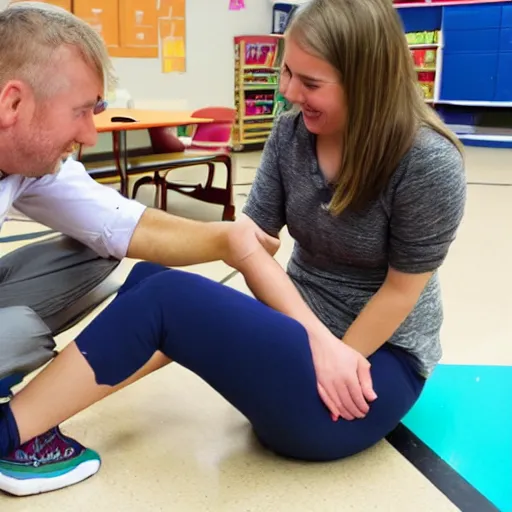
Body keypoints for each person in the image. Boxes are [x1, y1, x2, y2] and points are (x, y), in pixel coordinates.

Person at [0, 0, 467, 498]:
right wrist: (314, 338)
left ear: (366, 81)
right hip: (306, 337)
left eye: (309, 83)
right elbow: (250, 246)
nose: (288, 92)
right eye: (287, 72)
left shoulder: (427, 162)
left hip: (366, 369)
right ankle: (30, 422)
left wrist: (339, 354)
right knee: (151, 280)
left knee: (167, 299)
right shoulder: (292, 133)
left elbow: (401, 292)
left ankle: (8, 432)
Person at [0, 1, 278, 496]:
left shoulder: (26, 161)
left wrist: (227, 238)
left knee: (95, 249)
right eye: (81, 112)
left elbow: (120, 223)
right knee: (18, 333)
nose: (89, 133)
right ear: (13, 104)